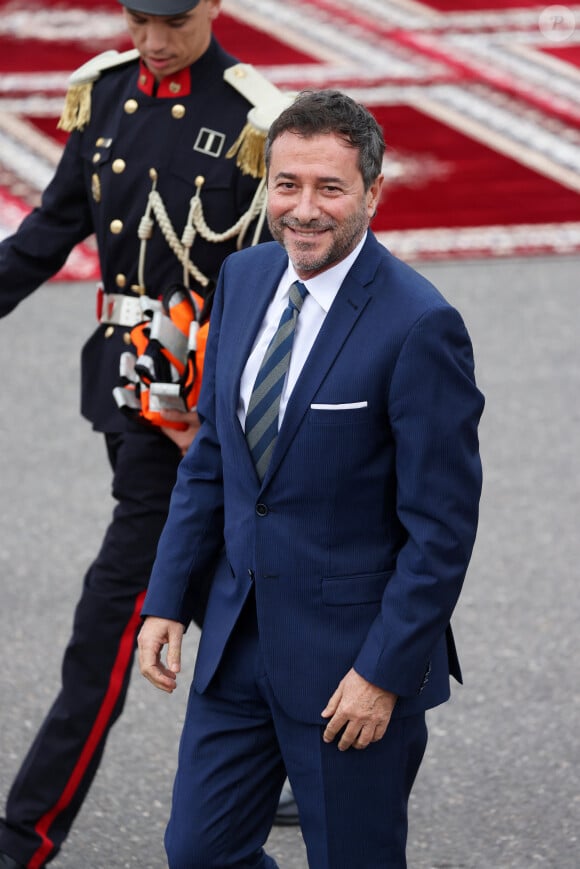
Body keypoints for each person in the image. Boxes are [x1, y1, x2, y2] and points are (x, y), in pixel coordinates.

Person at [138, 88, 485, 868]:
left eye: (329, 187)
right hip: (236, 638)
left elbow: (442, 529)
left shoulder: (420, 325)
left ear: (373, 190)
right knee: (199, 853)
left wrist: (383, 673)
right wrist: (167, 596)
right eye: (286, 184)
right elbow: (215, 457)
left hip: (349, 669)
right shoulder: (244, 277)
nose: (303, 209)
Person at [0, 1, 298, 866]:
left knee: (117, 606)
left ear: (212, 4)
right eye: (137, 16)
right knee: (219, 575)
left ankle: (26, 833)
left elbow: (286, 278)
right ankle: (295, 742)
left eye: (172, 19)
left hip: (197, 409)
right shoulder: (103, 93)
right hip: (122, 390)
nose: (153, 38)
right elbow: (53, 228)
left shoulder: (253, 118)